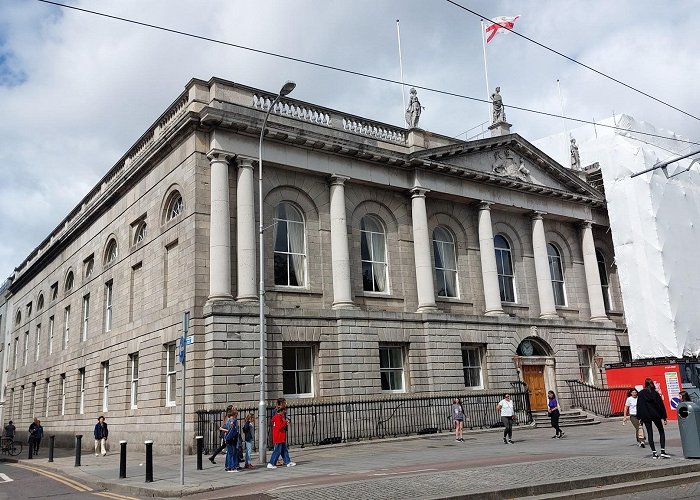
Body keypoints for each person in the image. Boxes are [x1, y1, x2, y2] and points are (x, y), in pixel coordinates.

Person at [637, 378, 669, 459]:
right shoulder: (655, 393)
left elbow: (640, 406)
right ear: (652, 384)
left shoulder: (641, 394)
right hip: (655, 415)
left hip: (646, 416)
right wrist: (664, 416)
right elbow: (660, 405)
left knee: (650, 433)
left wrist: (640, 417)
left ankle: (654, 453)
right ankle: (662, 451)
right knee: (661, 431)